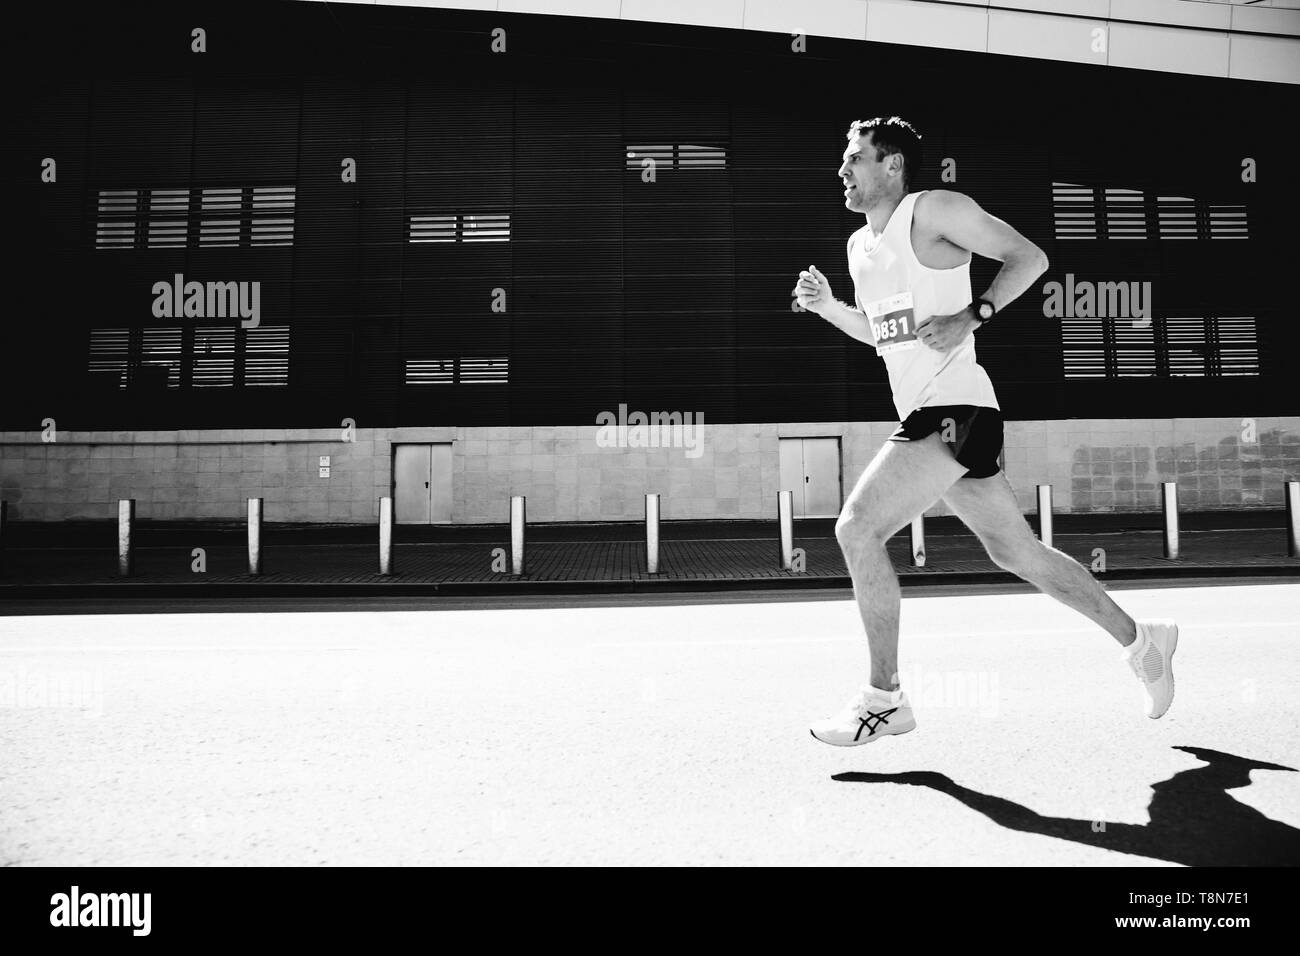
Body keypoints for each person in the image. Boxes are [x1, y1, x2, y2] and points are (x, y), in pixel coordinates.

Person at [792, 116, 1177, 747]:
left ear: (892, 166)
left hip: (956, 409)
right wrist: (831, 308)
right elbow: (883, 338)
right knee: (1016, 553)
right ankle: (1142, 642)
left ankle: (883, 698)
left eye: (855, 158)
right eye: (844, 159)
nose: (843, 169)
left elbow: (1031, 257)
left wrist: (975, 314)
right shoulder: (861, 249)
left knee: (856, 527)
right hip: (929, 415)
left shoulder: (936, 209)